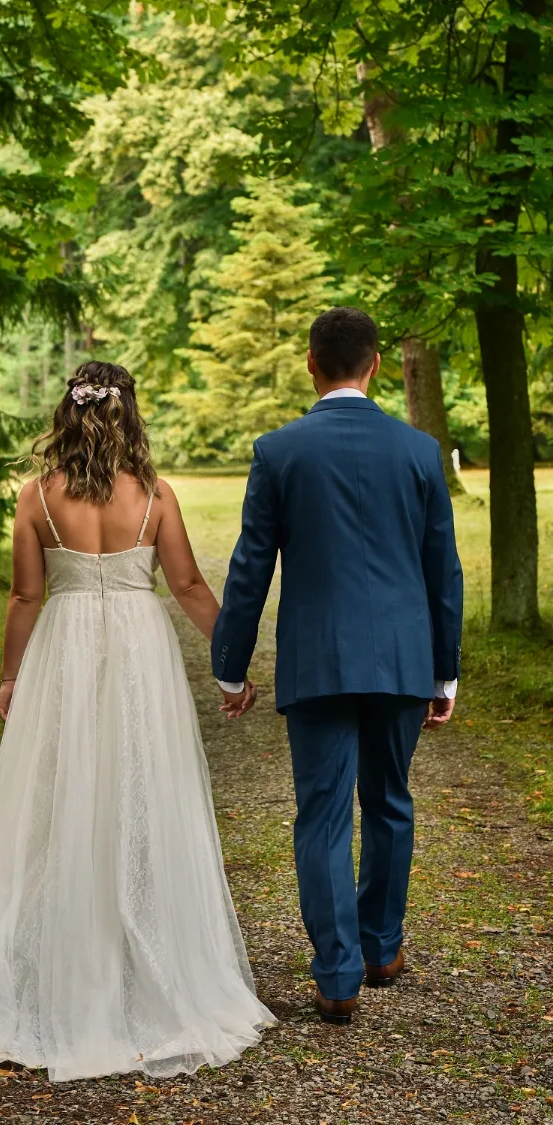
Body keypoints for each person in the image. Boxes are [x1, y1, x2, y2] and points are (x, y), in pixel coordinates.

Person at [0, 361, 274, 1082]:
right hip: (138, 651)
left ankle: (67, 953)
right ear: (129, 416)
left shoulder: (36, 495)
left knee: (62, 798)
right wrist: (232, 663)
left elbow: (25, 597)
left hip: (63, 649)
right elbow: (187, 584)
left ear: (68, 415)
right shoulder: (155, 494)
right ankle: (137, 950)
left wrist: (10, 675)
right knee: (141, 791)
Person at [212, 307, 463, 1025]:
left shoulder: (279, 451)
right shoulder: (419, 450)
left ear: (311, 364)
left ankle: (338, 976)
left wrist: (231, 665)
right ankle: (381, 947)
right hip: (401, 658)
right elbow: (443, 570)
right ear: (376, 363)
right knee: (389, 801)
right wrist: (443, 671)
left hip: (319, 660)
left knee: (322, 813)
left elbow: (251, 564)